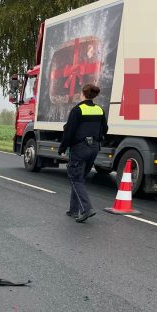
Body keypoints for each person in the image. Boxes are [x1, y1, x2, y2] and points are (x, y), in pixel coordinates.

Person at [58, 83, 108, 222]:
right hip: (94, 149)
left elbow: (69, 132)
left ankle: (86, 209)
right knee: (79, 178)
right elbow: (105, 129)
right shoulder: (100, 110)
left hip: (80, 148)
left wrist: (62, 148)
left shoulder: (77, 110)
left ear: (83, 94)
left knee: (76, 178)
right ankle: (73, 210)